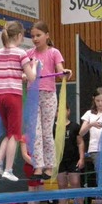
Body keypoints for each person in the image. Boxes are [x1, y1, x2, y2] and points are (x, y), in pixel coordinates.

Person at [0, 21, 37, 182]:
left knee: (9, 132)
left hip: (0, 96)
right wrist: (33, 66)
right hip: (14, 96)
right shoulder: (21, 53)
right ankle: (8, 169)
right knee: (15, 134)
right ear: (19, 36)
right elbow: (32, 78)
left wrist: (5, 75)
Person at [26, 21, 71, 180]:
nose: (35, 39)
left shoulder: (54, 53)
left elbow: (59, 71)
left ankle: (50, 165)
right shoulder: (29, 54)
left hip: (48, 94)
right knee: (35, 132)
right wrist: (24, 76)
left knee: (46, 131)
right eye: (32, 36)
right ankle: (38, 165)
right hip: (32, 95)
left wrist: (65, 73)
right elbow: (24, 72)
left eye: (38, 35)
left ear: (47, 35)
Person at [54, 104, 85, 204]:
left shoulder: (75, 127)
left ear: (68, 111)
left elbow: (80, 142)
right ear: (56, 113)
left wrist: (81, 158)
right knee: (62, 185)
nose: (61, 113)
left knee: (76, 183)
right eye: (58, 111)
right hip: (59, 160)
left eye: (63, 110)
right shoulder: (53, 127)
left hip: (73, 159)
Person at [20, 135, 46, 204]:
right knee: (32, 188)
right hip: (30, 165)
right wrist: (35, 164)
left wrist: (42, 165)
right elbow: (24, 154)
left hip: (41, 166)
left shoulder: (40, 136)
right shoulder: (24, 137)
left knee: (40, 188)